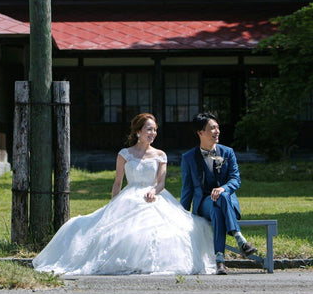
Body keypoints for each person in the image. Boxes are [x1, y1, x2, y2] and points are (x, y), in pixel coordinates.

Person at [32, 113, 216, 275]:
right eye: (148, 130)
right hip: (130, 195)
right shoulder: (125, 154)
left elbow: (161, 182)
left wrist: (154, 191)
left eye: (154, 130)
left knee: (173, 230)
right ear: (138, 132)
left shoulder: (160, 154)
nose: (152, 133)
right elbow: (118, 182)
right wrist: (112, 206)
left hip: (154, 196)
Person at [180, 112, 257, 275]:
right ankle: (240, 239)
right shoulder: (188, 158)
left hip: (225, 203)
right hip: (203, 206)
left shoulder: (227, 152)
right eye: (212, 128)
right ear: (200, 133)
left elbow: (235, 180)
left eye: (218, 127)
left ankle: (220, 261)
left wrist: (223, 188)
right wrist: (182, 214)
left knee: (218, 207)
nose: (217, 131)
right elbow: (187, 189)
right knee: (215, 207)